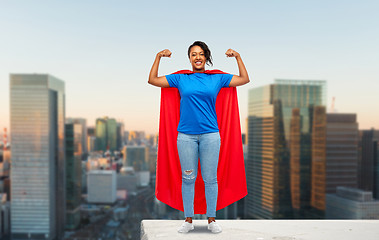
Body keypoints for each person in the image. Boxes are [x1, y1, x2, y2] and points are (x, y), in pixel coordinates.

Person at [148, 41, 249, 233]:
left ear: (206, 57)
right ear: (189, 58)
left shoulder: (217, 79)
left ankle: (211, 220)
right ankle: (188, 220)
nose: (198, 57)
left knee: (210, 179)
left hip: (211, 135)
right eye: (194, 54)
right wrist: (158, 57)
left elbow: (244, 79)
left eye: (201, 54)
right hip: (186, 137)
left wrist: (237, 56)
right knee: (188, 179)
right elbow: (152, 80)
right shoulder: (181, 79)